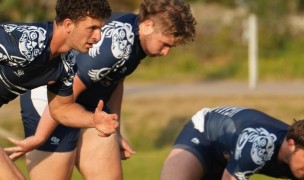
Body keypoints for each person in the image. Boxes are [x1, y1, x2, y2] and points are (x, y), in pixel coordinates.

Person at [4, 0, 197, 179]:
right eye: (165, 44)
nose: (166, 52)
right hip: (50, 104)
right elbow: (69, 91)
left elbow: (114, 82)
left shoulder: (133, 40)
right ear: (147, 26)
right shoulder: (116, 44)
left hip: (83, 108)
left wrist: (113, 128)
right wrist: (40, 137)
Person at [0, 0, 119, 179]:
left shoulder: (66, 63)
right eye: (92, 28)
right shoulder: (27, 42)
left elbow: (61, 110)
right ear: (69, 25)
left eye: (100, 28)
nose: (98, 36)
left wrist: (92, 120)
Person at [160, 106, 304, 180]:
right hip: (205, 137)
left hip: (234, 158)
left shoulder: (297, 160)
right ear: (291, 144)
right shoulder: (259, 144)